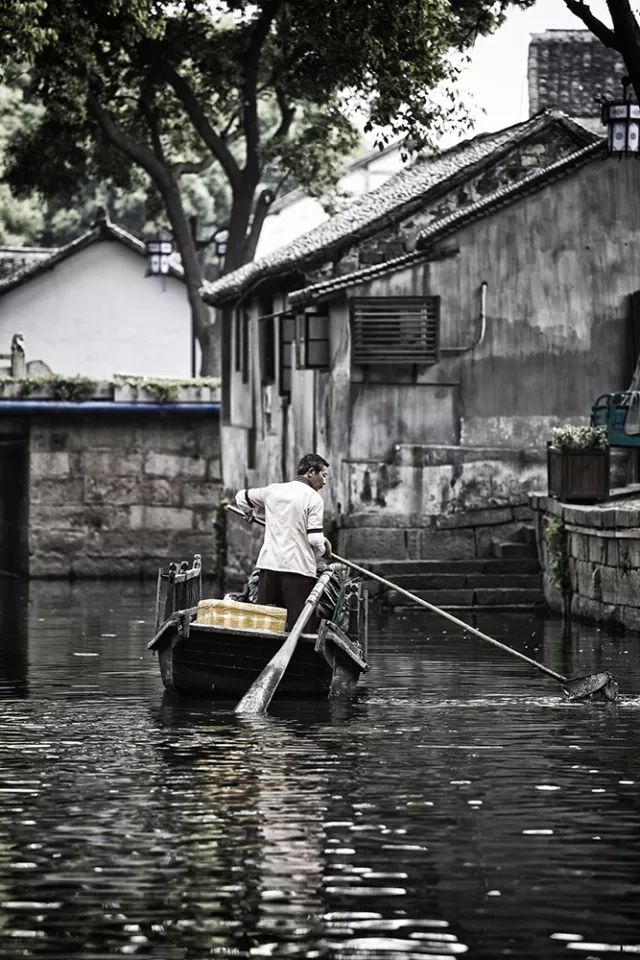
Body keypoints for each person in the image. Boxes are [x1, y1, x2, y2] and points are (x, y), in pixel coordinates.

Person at [234, 453, 332, 629]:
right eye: (323, 475)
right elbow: (314, 538)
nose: (324, 482)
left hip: (269, 567)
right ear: (311, 472)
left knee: (265, 625)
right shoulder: (313, 498)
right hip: (298, 570)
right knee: (301, 627)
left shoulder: (273, 490)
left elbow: (241, 497)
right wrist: (324, 548)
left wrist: (249, 513)